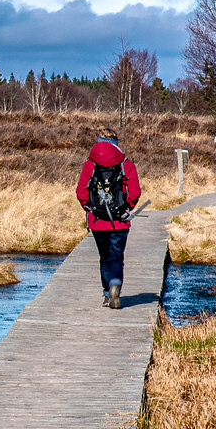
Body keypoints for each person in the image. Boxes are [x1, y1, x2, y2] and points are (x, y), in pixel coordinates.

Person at [76, 129, 141, 310]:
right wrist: (125, 208)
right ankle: (115, 286)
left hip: (97, 221)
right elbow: (135, 192)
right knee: (116, 257)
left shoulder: (89, 165)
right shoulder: (126, 165)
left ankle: (107, 294)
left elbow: (81, 192)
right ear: (116, 143)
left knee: (104, 257)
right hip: (120, 221)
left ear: (98, 142)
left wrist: (90, 208)